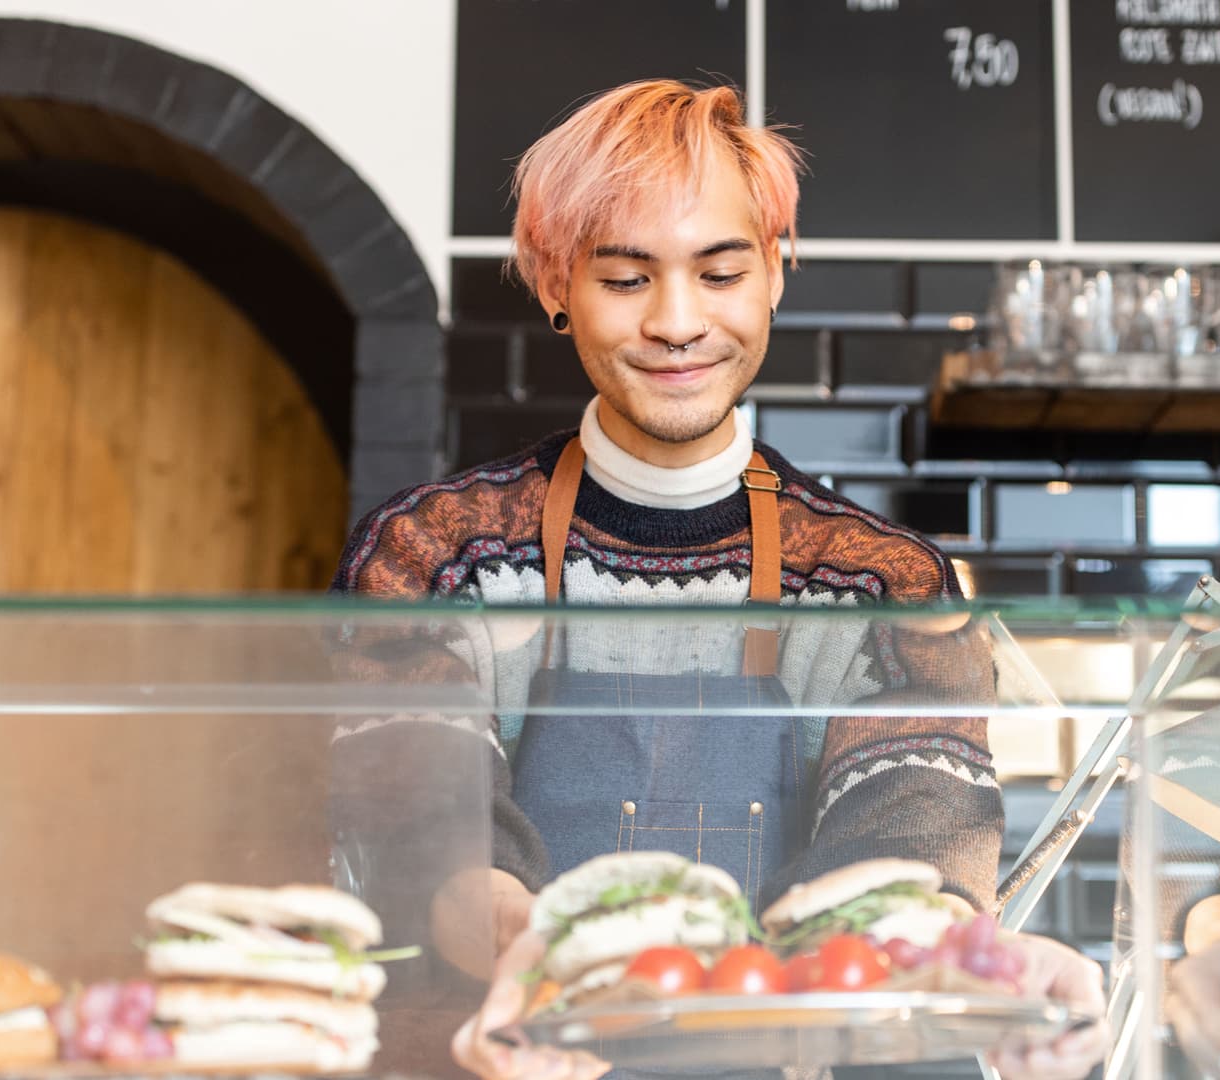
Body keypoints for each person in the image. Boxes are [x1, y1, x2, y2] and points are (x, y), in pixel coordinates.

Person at [332, 80, 1108, 1080]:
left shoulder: (880, 581)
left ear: (775, 272)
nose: (677, 321)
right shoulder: (437, 550)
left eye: (721, 272)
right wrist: (541, 953)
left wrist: (961, 955)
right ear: (556, 284)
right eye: (626, 279)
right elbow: (422, 829)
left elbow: (913, 825)